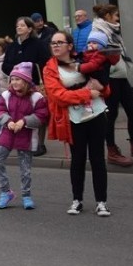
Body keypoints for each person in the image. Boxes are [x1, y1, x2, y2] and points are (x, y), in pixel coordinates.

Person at [43, 31, 111, 216]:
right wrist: (87, 94)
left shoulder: (84, 60)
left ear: (70, 46)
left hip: (96, 114)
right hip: (73, 119)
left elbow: (104, 85)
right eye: (53, 43)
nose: (55, 45)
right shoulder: (50, 68)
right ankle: (77, 200)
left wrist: (102, 88)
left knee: (97, 159)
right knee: (78, 160)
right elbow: (58, 96)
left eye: (60, 42)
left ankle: (101, 202)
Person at [0, 62, 49, 209]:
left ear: (27, 81)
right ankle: (5, 192)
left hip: (27, 136)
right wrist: (7, 121)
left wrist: (24, 121)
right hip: (7, 134)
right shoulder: (6, 95)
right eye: (12, 79)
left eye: (18, 79)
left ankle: (26, 195)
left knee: (25, 169)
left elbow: (42, 115)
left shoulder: (37, 97)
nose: (14, 82)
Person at [90, 3, 133, 166]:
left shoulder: (113, 30)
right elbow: (96, 55)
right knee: (111, 116)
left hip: (121, 76)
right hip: (110, 78)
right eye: (115, 15)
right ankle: (112, 151)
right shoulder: (98, 31)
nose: (118, 18)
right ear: (107, 16)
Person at [2, 16, 50, 156]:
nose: (19, 27)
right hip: (16, 86)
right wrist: (17, 69)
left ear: (29, 29)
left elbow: (45, 63)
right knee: (20, 114)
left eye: (22, 25)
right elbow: (5, 66)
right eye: (17, 25)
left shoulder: (38, 44)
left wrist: (28, 68)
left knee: (37, 114)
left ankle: (40, 144)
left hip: (33, 85)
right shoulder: (12, 46)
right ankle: (24, 142)